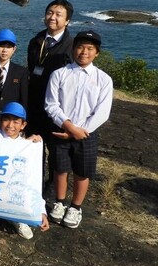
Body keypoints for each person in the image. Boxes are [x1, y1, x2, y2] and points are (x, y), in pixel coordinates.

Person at [45, 30, 113, 229]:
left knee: (83, 172)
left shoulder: (103, 79)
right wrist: (68, 127)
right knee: (60, 168)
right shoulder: (60, 74)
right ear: (74, 49)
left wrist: (79, 131)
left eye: (90, 49)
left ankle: (76, 206)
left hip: (87, 134)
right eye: (80, 47)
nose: (84, 52)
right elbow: (51, 104)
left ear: (97, 53)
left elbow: (102, 112)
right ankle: (59, 202)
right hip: (61, 129)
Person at [0, 102, 49, 242]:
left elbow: (34, 180)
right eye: (6, 120)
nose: (10, 125)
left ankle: (15, 218)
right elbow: (5, 149)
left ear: (23, 125)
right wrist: (26, 143)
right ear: (0, 120)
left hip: (11, 198)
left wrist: (41, 211)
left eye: (16, 121)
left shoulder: (29, 147)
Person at [26, 0, 74, 187]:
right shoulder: (36, 41)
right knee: (34, 148)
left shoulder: (71, 45)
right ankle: (33, 184)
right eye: (49, 12)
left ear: (67, 21)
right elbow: (32, 69)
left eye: (58, 14)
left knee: (57, 152)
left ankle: (53, 188)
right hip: (35, 105)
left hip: (57, 108)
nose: (52, 17)